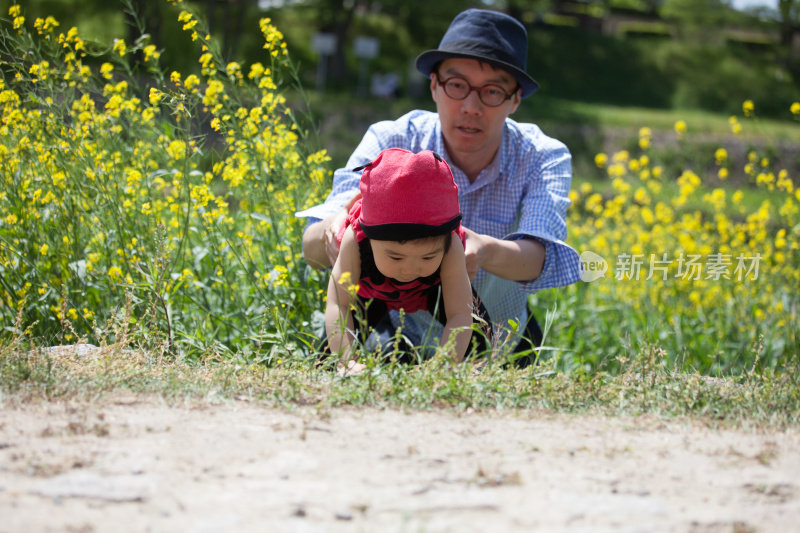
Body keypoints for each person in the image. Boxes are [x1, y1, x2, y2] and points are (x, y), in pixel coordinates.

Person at [299, 8, 581, 366]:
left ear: (515, 100)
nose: (470, 106)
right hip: (393, 331)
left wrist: (482, 249)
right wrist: (335, 232)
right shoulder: (391, 139)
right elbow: (311, 246)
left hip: (498, 336)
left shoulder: (543, 155)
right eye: (456, 85)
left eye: (493, 91)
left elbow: (543, 257)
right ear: (434, 85)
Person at [325, 148, 492, 375]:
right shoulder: (355, 238)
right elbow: (338, 304)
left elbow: (459, 314)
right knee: (329, 351)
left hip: (431, 290)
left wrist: (444, 364)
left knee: (479, 327)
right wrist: (347, 361)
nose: (410, 268)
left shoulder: (451, 242)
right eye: (395, 256)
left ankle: (475, 374)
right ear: (371, 238)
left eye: (428, 256)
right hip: (371, 293)